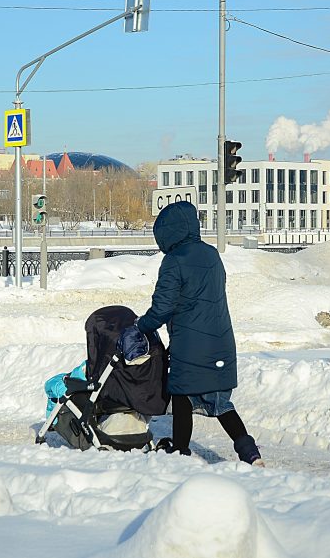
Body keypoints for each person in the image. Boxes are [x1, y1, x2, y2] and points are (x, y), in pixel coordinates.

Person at [131, 200, 262, 466]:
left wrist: (140, 327)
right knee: (221, 403)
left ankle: (180, 452)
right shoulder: (212, 254)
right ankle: (251, 454)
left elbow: (162, 308)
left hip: (190, 345)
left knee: (181, 397)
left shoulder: (174, 261)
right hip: (222, 341)